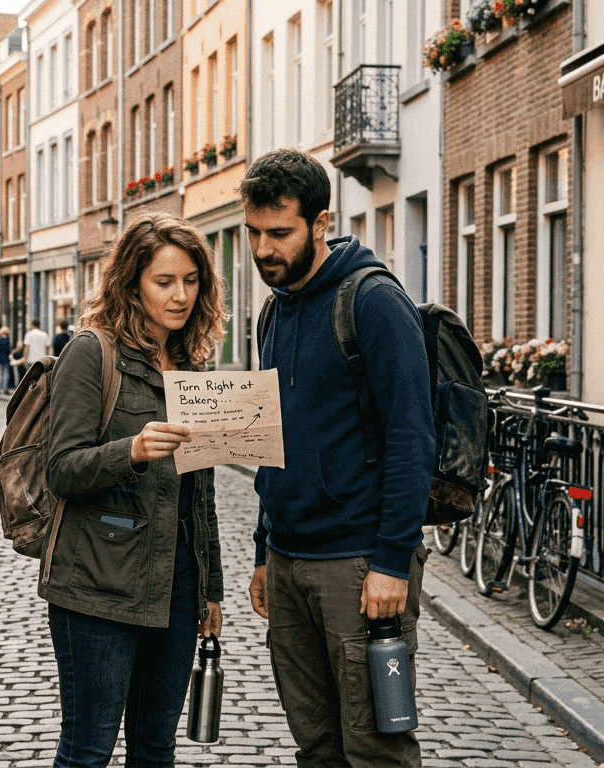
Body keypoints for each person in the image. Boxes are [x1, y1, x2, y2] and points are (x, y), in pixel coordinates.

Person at [242, 148, 437, 767]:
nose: (263, 249)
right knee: (316, 747)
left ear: (320, 224)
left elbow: (413, 435)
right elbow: (270, 437)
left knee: (377, 748)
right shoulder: (274, 310)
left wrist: (390, 563)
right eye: (253, 233)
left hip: (357, 567)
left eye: (279, 233)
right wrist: (262, 550)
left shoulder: (373, 302)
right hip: (289, 560)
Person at [43, 213, 227, 768]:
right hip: (97, 582)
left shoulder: (193, 367)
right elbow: (61, 468)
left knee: (155, 748)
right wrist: (132, 451)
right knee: (87, 749)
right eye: (164, 282)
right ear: (131, 282)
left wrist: (209, 588)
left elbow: (203, 495)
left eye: (191, 281)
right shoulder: (90, 352)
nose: (180, 296)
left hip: (175, 586)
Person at [0, 327, 13, 394]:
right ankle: (5, 389)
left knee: (0, 374)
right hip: (6, 358)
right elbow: (9, 350)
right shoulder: (8, 340)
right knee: (6, 374)